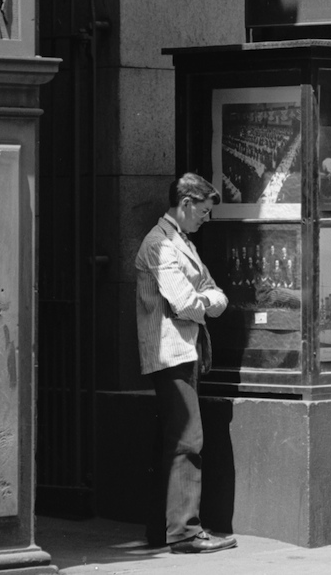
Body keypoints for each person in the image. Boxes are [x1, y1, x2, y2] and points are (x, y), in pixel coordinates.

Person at [135, 172, 237, 554]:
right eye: (204, 212)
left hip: (183, 350)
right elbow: (188, 303)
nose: (205, 219)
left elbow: (212, 293)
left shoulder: (181, 243)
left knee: (176, 439)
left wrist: (206, 300)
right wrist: (208, 302)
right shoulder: (160, 245)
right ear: (186, 204)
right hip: (171, 354)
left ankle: (164, 530)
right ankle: (186, 533)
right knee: (188, 439)